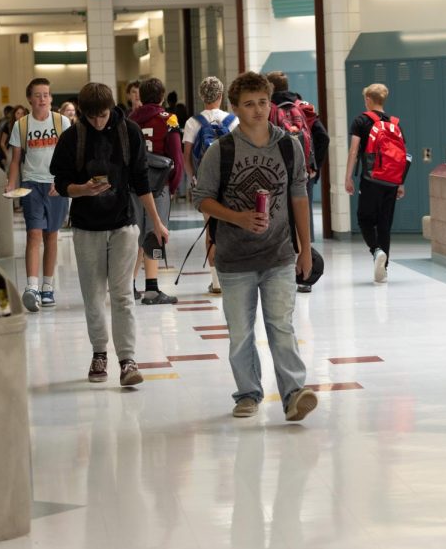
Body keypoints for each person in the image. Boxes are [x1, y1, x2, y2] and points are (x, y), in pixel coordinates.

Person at [192, 71, 317, 422]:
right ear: (236, 108)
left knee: (282, 326)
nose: (259, 110)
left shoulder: (287, 145)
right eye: (249, 105)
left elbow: (299, 198)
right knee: (241, 332)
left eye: (263, 102)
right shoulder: (222, 150)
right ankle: (248, 393)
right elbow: (202, 199)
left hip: (278, 253)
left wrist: (305, 247)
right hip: (235, 258)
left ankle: (294, 394)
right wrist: (237, 217)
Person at [51, 82, 170, 387]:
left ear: (111, 108)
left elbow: (142, 180)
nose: (98, 122)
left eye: (103, 115)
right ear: (82, 113)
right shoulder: (72, 137)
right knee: (93, 296)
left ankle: (128, 359)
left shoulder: (128, 132)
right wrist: (82, 189)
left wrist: (156, 222)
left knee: (122, 295)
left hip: (123, 224)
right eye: (92, 117)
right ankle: (99, 352)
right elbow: (61, 182)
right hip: (86, 227)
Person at [7, 78, 72, 312]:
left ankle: (47, 286)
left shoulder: (61, 122)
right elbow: (16, 160)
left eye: (46, 94)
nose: (42, 99)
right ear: (29, 99)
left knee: (51, 236)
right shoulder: (21, 125)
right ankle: (31, 287)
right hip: (31, 185)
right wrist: (10, 183)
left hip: (55, 185)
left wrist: (62, 181)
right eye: (37, 95)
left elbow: (70, 156)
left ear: (51, 98)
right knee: (33, 234)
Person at [345, 83, 407, 283]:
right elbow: (402, 157)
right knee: (384, 224)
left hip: (371, 179)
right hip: (391, 181)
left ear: (368, 100)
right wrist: (400, 183)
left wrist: (348, 177)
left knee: (364, 219)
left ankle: (376, 250)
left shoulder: (361, 121)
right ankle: (384, 271)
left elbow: (354, 151)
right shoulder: (395, 123)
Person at [129, 77, 184, 305]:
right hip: (158, 184)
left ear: (140, 96)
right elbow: (176, 155)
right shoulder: (168, 119)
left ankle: (128, 287)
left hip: (133, 185)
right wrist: (173, 185)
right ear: (161, 96)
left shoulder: (129, 119)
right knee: (155, 234)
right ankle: (151, 288)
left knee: (133, 236)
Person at [183, 75, 238, 294]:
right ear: (221, 95)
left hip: (205, 184)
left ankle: (216, 282)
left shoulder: (192, 122)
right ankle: (232, 277)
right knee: (232, 227)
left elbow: (187, 155)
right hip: (231, 184)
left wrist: (194, 180)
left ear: (201, 96)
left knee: (210, 229)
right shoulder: (233, 120)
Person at [267, 71, 330, 242]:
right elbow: (323, 137)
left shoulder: (266, 109)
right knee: (303, 213)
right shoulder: (303, 107)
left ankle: (283, 256)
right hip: (303, 170)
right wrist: (314, 167)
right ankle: (307, 257)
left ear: (270, 88)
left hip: (275, 171)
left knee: (277, 213)